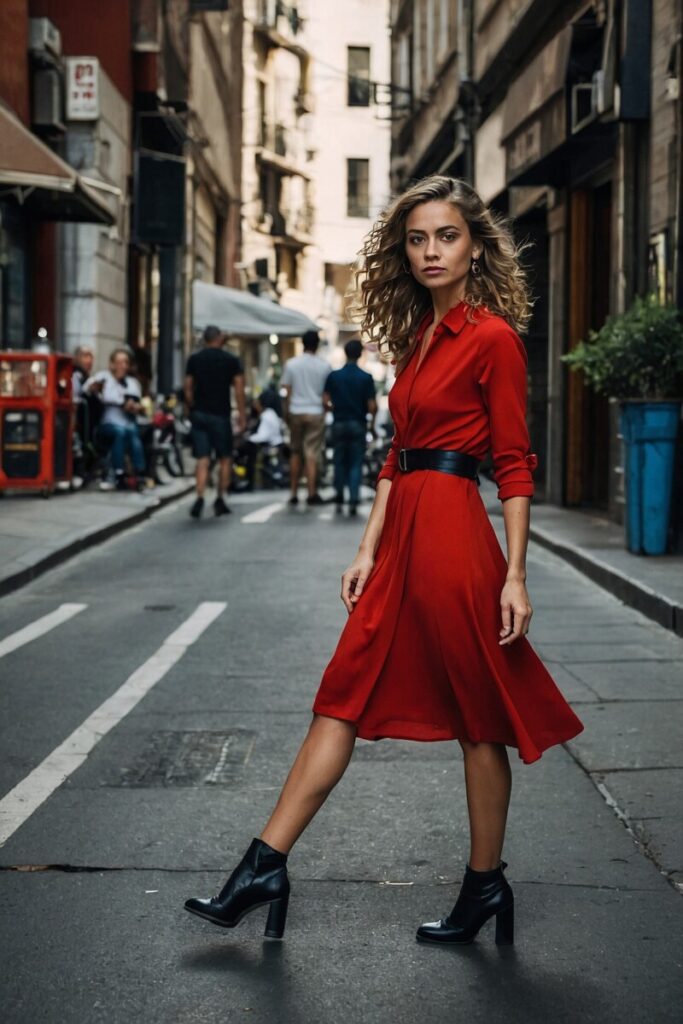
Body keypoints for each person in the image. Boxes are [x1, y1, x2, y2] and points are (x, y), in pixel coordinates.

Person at [184, 175, 584, 946]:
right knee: (340, 692)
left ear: (474, 247)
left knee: (477, 718)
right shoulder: (419, 340)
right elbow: (398, 457)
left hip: (455, 543)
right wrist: (365, 548)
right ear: (402, 252)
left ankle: (484, 884)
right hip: (402, 540)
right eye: (417, 239)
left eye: (447, 236)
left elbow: (511, 461)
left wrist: (515, 572)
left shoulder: (491, 338)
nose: (431, 251)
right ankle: (262, 865)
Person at [184, 325, 246, 519]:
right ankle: (220, 497)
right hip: (221, 415)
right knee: (225, 458)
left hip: (200, 414)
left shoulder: (195, 359)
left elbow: (187, 388)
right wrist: (242, 415)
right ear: (219, 338)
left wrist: (192, 406)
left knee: (202, 458)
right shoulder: (230, 360)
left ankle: (200, 496)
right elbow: (238, 389)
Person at [324, 338, 377, 515]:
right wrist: (372, 425)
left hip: (338, 422)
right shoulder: (366, 378)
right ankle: (353, 498)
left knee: (339, 460)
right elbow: (372, 406)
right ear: (360, 354)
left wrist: (335, 408)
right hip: (358, 423)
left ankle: (339, 493)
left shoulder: (334, 376)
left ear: (345, 353)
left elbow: (325, 401)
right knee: (356, 461)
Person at [84, 348, 146, 491]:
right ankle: (117, 473)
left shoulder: (132, 383)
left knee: (131, 431)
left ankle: (139, 472)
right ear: (111, 364)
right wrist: (95, 389)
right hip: (106, 425)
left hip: (127, 424)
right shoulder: (103, 377)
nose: (122, 366)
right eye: (119, 362)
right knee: (120, 432)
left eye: (125, 362)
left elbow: (139, 404)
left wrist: (135, 407)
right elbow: (88, 388)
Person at [280, 330, 329, 506]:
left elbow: (286, 391)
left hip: (296, 411)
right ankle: (311, 493)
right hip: (316, 412)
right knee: (311, 453)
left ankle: (293, 493)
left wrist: (286, 412)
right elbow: (326, 394)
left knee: (295, 452)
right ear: (316, 345)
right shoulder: (324, 366)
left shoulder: (291, 364)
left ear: (302, 344)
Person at [239, 390, 285, 490]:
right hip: (274, 443)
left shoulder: (267, 415)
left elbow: (262, 436)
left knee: (247, 450)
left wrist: (248, 438)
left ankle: (249, 480)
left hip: (269, 444)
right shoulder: (271, 414)